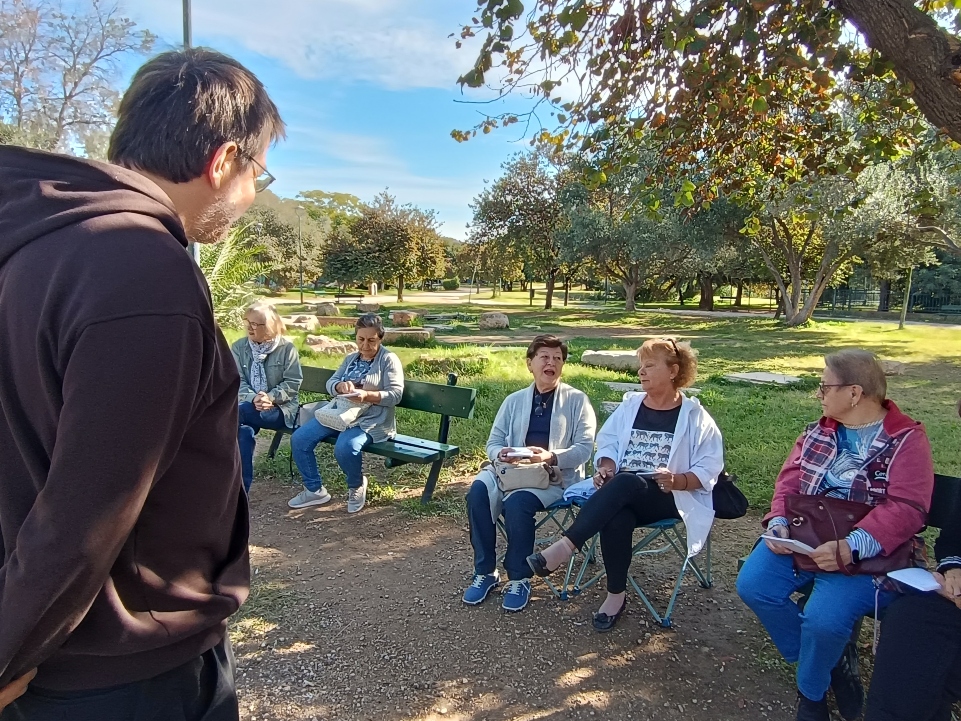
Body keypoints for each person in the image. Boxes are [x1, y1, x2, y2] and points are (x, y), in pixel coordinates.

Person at [0, 48, 284, 720]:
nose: (248, 200)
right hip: (122, 672)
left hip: (63, 653)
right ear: (223, 162)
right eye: (259, 176)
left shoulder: (36, 247)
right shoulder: (143, 272)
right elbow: (87, 510)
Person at [736, 349, 935, 721]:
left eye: (825, 386)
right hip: (805, 536)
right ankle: (829, 663)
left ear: (855, 392)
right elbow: (788, 484)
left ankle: (811, 694)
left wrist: (852, 546)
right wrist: (778, 522)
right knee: (754, 584)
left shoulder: (906, 439)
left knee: (824, 620)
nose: (819, 394)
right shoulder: (818, 431)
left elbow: (908, 508)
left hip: (867, 553)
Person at [528, 338, 724, 631]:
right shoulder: (631, 406)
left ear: (673, 371)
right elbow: (607, 444)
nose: (641, 372)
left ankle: (566, 546)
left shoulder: (695, 417)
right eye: (640, 366)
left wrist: (678, 480)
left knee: (625, 483)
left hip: (668, 496)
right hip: (621, 493)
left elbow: (710, 467)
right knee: (617, 511)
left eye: (649, 366)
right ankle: (615, 596)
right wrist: (606, 469)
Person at [462, 335, 596, 612]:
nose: (551, 363)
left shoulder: (577, 401)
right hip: (510, 470)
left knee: (517, 502)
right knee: (476, 492)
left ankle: (519, 576)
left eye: (557, 358)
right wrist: (501, 453)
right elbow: (493, 442)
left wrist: (551, 456)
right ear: (530, 364)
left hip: (552, 475)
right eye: (544, 357)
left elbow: (584, 449)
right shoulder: (514, 401)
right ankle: (485, 572)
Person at [288, 313, 404, 513]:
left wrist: (366, 395)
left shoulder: (388, 360)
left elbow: (395, 395)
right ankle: (314, 490)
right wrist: (340, 386)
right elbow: (331, 383)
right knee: (300, 438)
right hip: (339, 414)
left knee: (346, 446)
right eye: (360, 339)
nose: (365, 345)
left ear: (381, 338)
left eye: (371, 340)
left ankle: (356, 485)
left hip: (370, 420)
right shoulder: (351, 358)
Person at [232, 302, 303, 493]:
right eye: (248, 321)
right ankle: (241, 492)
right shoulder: (239, 347)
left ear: (270, 326)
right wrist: (254, 397)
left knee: (236, 414)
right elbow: (237, 380)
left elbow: (293, 384)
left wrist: (270, 397)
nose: (249, 327)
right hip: (250, 407)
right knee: (244, 433)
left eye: (255, 324)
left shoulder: (287, 349)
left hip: (280, 410)